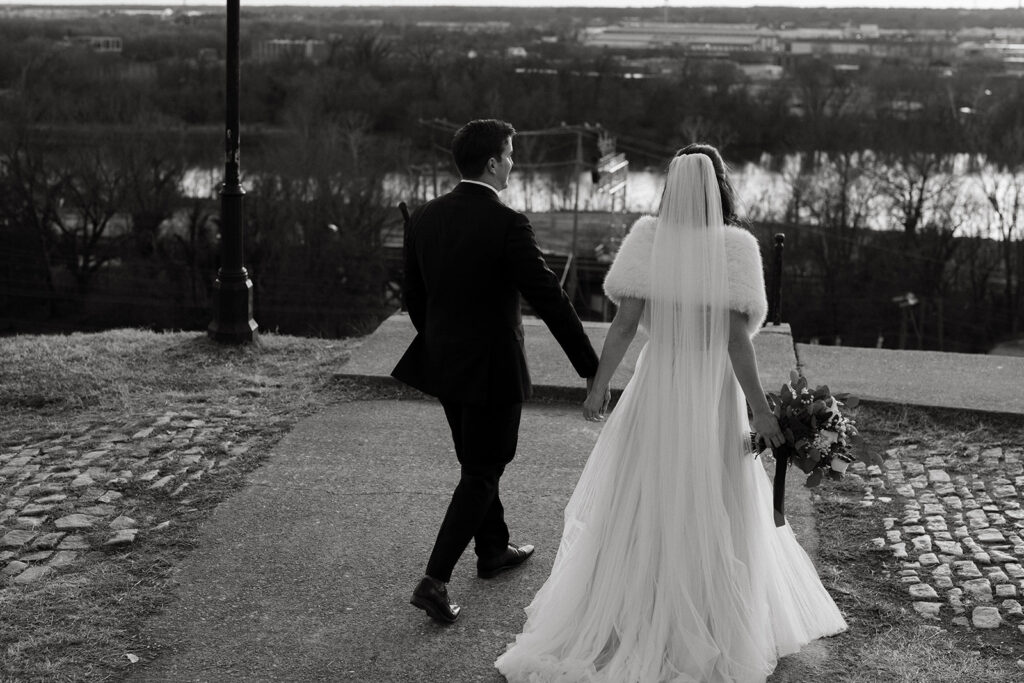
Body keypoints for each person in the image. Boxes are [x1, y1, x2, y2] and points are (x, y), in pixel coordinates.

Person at [495, 145, 847, 681]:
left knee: (644, 492)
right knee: (713, 494)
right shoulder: (735, 248)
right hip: (711, 392)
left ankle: (630, 608)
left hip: (657, 384)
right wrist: (760, 412)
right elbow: (736, 344)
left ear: (669, 189)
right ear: (720, 187)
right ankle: (709, 613)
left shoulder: (647, 240)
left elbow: (623, 326)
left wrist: (598, 388)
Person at [392, 119, 602, 624]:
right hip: (492, 369)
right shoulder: (508, 224)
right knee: (484, 470)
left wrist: (445, 342)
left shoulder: (424, 217)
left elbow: (414, 301)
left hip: (445, 364)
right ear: (491, 162)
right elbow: (550, 299)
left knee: (476, 465)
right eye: (509, 155)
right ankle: (434, 581)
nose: (512, 164)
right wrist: (592, 369)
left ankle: (493, 550)